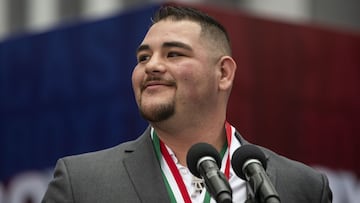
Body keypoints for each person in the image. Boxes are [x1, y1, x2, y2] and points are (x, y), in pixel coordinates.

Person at [42, 5, 332, 203]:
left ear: (223, 73)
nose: (151, 66)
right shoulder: (81, 183)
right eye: (143, 57)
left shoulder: (301, 186)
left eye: (173, 54)